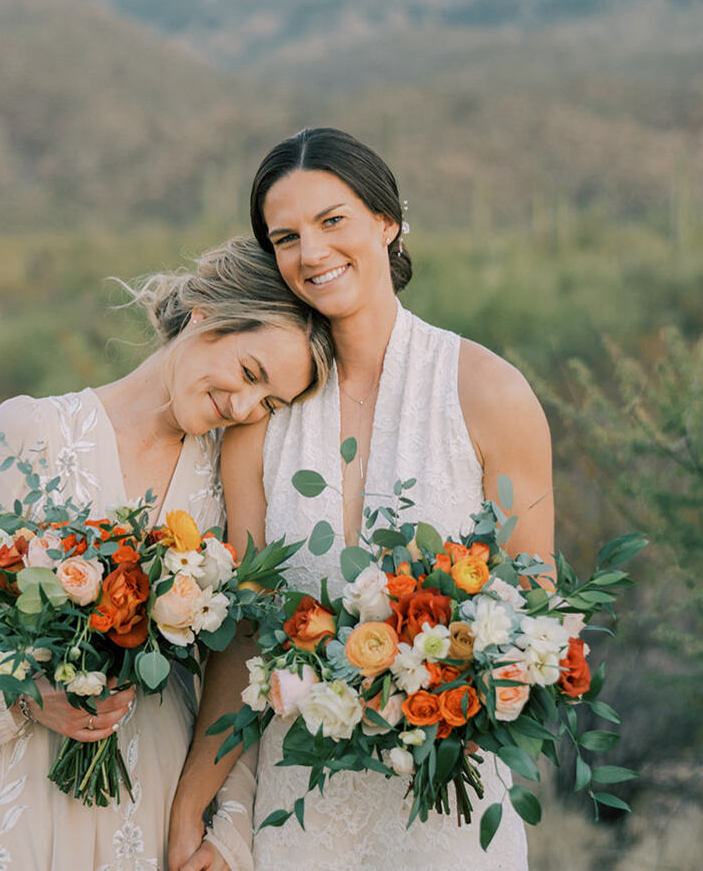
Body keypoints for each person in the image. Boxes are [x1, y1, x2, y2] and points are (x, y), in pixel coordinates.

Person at [168, 128, 554, 871]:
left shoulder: (490, 393)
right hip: (301, 808)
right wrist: (196, 808)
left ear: (387, 222)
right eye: (286, 237)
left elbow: (534, 611)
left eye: (332, 221)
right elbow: (245, 636)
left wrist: (440, 686)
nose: (311, 253)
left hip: (450, 800)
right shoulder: (262, 418)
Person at [0, 237, 334, 871]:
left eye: (267, 404)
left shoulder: (228, 474)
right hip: (22, 789)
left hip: (155, 792)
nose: (242, 407)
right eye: (249, 373)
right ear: (206, 315)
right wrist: (26, 694)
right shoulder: (23, 434)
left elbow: (240, 659)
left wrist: (226, 824)